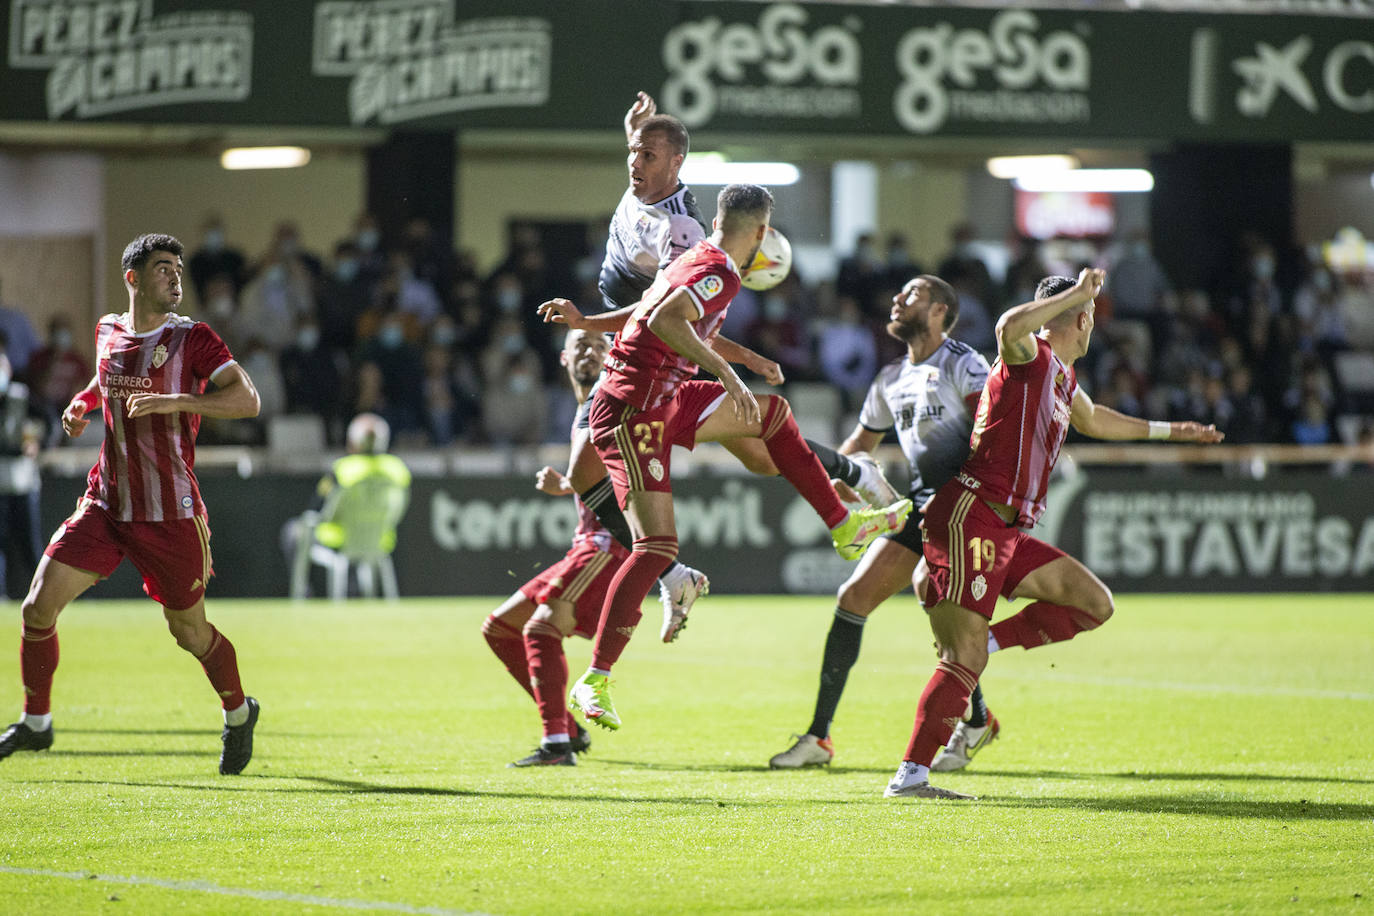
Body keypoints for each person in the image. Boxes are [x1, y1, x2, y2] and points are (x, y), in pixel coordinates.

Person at [540, 183, 913, 732]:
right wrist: (727, 373)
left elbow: (649, 313)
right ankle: (595, 678)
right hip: (631, 411)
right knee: (655, 547)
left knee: (773, 416)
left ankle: (842, 524)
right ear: (763, 234)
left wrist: (589, 325)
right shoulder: (722, 272)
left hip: (662, 394)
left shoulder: (697, 256)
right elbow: (667, 320)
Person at [885, 269, 1224, 800]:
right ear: (1083, 318)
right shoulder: (1031, 356)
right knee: (962, 658)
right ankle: (911, 777)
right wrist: (1079, 292)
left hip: (1006, 527)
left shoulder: (1062, 377)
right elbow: (1006, 327)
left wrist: (1171, 431)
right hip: (971, 515)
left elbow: (1096, 421)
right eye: (1091, 317)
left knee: (1092, 603)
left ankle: (991, 642)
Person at [0, 233, 263, 775]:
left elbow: (247, 400)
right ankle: (37, 722)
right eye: (164, 268)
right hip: (107, 503)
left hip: (171, 514)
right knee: (36, 608)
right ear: (133, 278)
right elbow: (107, 377)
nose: (175, 278)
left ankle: (238, 713)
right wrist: (83, 401)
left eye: (179, 269)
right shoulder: (107, 330)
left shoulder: (194, 339)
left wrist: (179, 399)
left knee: (188, 632)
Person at [769, 274, 997, 770]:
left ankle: (976, 720)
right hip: (919, 507)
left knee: (934, 599)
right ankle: (819, 738)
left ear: (940, 310)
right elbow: (857, 449)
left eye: (912, 294)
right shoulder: (891, 377)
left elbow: (991, 439)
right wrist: (824, 483)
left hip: (962, 506)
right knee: (854, 598)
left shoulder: (964, 363)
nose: (897, 298)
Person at [481, 328, 625, 766]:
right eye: (581, 344)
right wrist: (569, 485)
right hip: (585, 543)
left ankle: (557, 745)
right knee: (499, 628)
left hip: (606, 544)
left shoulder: (612, 400)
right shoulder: (583, 407)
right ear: (564, 358)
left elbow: (634, 466)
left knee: (540, 629)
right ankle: (567, 728)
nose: (590, 351)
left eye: (601, 346)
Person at [286, 412, 411, 599]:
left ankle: (304, 594)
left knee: (293, 531)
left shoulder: (342, 469)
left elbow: (316, 509)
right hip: (379, 540)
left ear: (353, 442)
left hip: (339, 540)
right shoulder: (397, 469)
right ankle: (354, 590)